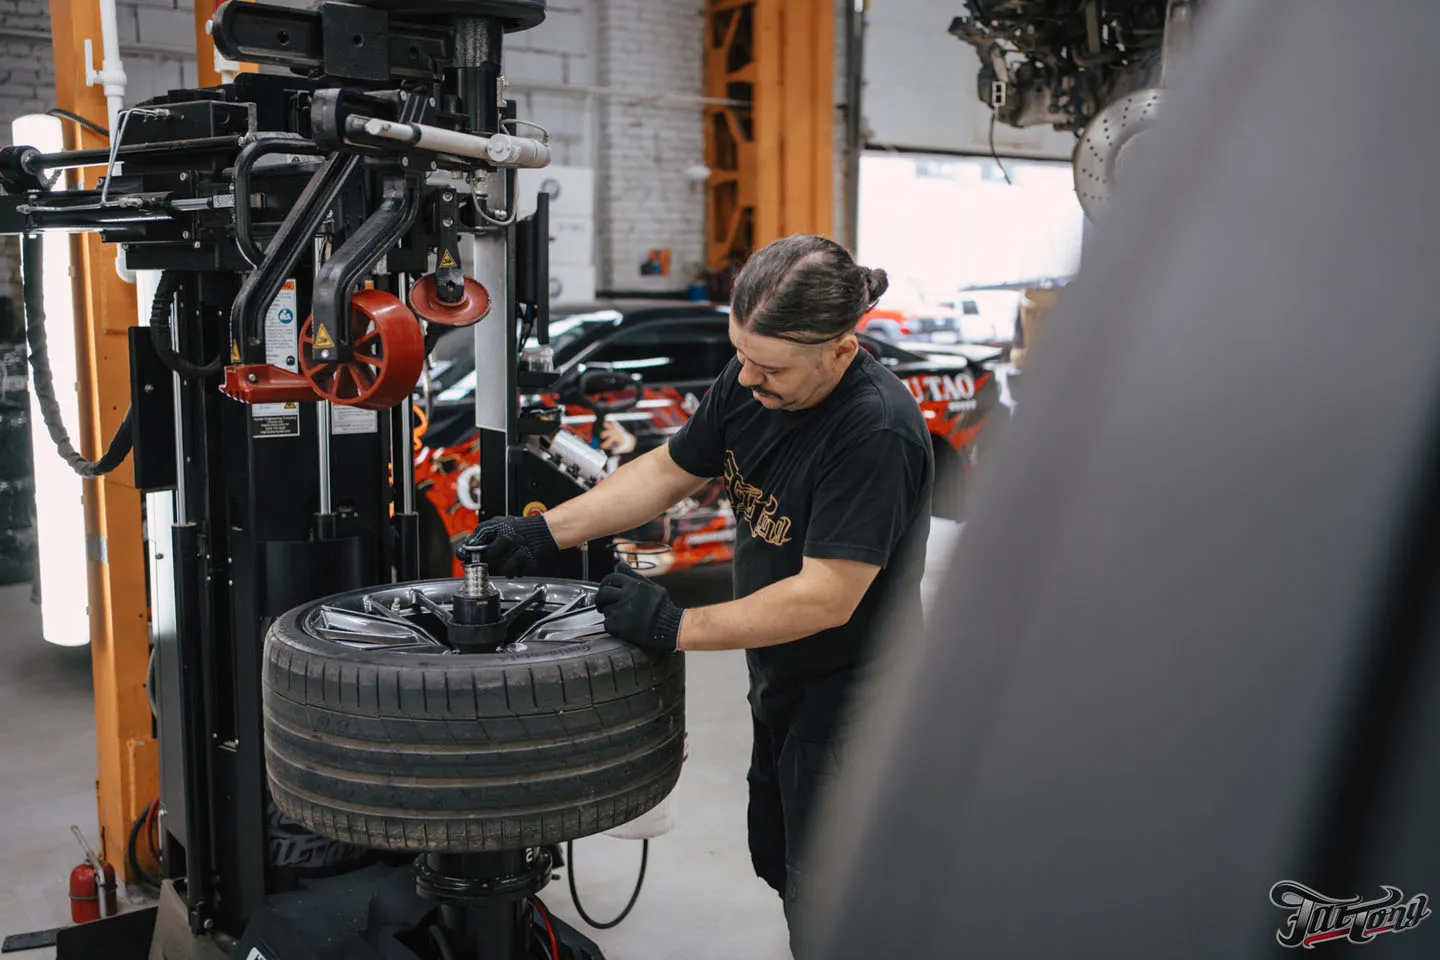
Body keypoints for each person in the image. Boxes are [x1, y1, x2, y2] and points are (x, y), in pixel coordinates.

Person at [459, 234, 933, 952]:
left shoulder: (875, 433)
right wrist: (544, 533)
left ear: (840, 349)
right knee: (782, 866)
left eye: (768, 365)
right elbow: (668, 471)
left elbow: (825, 598)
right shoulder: (752, 383)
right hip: (784, 683)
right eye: (740, 353)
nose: (745, 378)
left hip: (859, 713)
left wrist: (673, 625)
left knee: (839, 906)